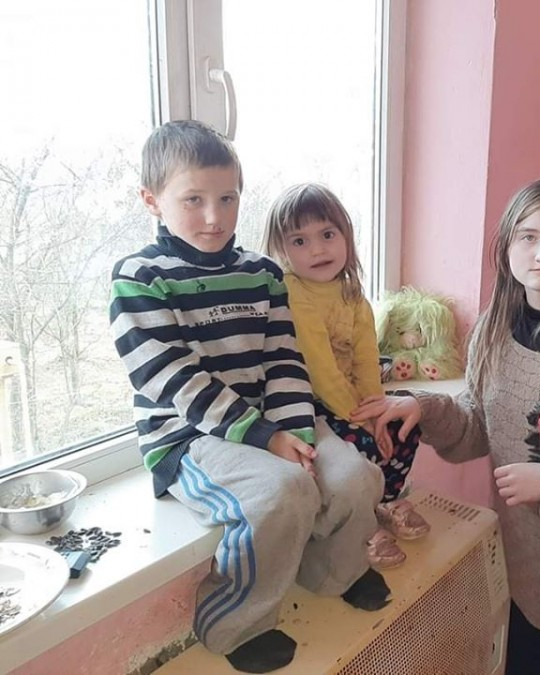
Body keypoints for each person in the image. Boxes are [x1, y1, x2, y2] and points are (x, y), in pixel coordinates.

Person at [109, 121, 390, 674]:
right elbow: (171, 378)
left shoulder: (261, 274)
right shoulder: (139, 277)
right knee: (281, 491)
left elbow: (283, 359)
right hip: (188, 437)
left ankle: (333, 572)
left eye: (228, 198)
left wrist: (297, 434)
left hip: (272, 420)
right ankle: (234, 622)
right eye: (193, 200)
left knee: (355, 477)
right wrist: (266, 438)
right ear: (152, 200)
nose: (214, 217)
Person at [355, 175, 540, 674]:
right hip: (521, 562)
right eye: (528, 236)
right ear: (506, 244)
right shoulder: (493, 326)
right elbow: (475, 428)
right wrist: (423, 407)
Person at [261, 182, 430, 571]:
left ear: (346, 237)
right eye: (299, 241)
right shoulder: (293, 291)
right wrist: (362, 418)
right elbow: (320, 369)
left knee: (403, 425)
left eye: (327, 234)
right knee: (360, 446)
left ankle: (387, 501)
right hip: (309, 400)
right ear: (282, 250)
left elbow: (366, 358)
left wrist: (377, 408)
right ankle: (365, 526)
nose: (317, 250)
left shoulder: (352, 293)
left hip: (349, 397)